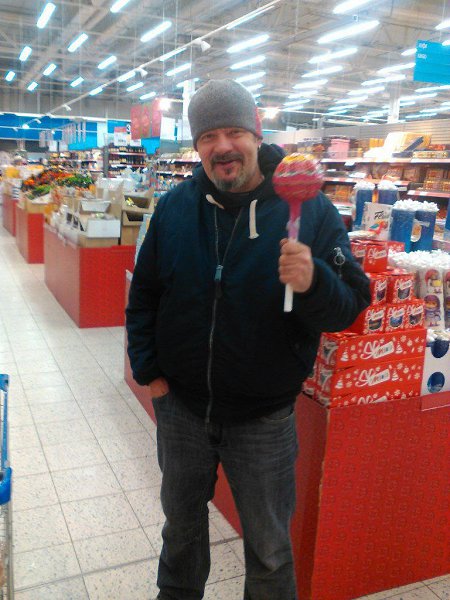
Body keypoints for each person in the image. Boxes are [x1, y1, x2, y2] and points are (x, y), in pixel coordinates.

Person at [126, 79, 370, 600]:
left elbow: (351, 304)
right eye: (208, 136)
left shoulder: (311, 211)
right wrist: (151, 374)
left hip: (264, 418)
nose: (222, 146)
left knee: (270, 550)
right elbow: (144, 294)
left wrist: (314, 283)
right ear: (197, 146)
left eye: (233, 132)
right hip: (182, 410)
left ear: (257, 134)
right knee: (180, 534)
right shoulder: (175, 208)